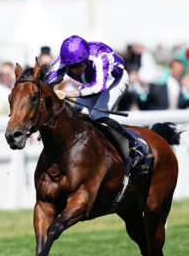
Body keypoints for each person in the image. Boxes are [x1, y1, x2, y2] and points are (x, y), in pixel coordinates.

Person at [45, 34, 145, 175]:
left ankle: (134, 147)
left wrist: (66, 94)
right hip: (90, 84)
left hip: (114, 82)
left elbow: (98, 87)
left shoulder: (100, 57)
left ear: (86, 58)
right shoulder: (63, 60)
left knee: (97, 116)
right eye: (71, 67)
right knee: (78, 117)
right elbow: (46, 82)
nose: (75, 70)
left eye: (79, 65)